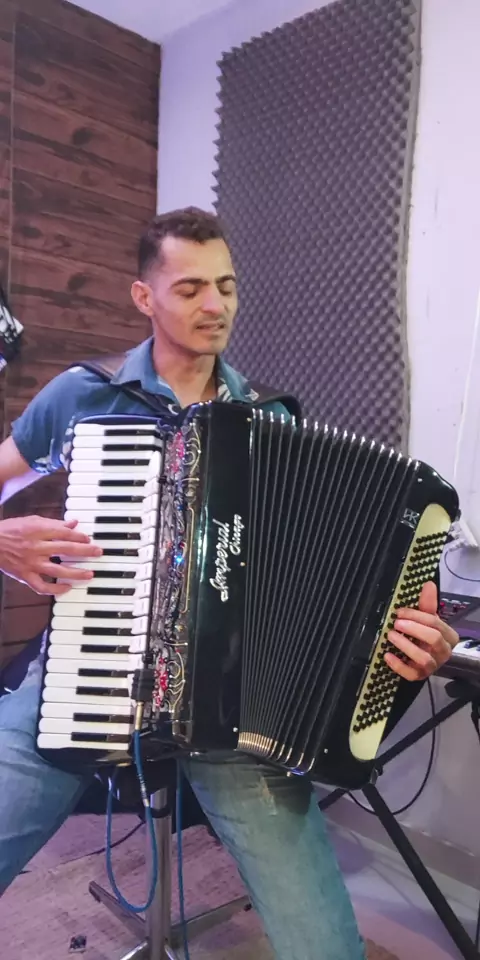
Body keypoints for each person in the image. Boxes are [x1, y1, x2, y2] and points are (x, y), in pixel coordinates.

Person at [0, 207, 458, 958]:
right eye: (189, 289)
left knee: (324, 944)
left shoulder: (271, 420)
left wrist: (403, 642)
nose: (214, 305)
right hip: (87, 669)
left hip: (233, 709)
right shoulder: (83, 394)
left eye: (226, 286)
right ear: (144, 297)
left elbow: (329, 596)